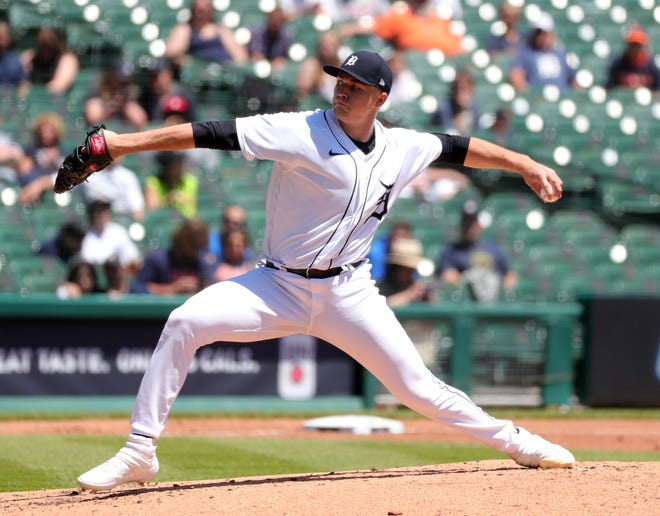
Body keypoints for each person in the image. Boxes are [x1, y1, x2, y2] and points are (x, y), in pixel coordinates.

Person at [73, 49, 572, 492]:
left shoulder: (402, 148)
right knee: (184, 321)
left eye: (355, 86)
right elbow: (211, 134)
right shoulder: (301, 130)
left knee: (417, 387)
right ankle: (141, 451)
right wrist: (122, 144)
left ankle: (518, 441)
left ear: (380, 98)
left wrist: (524, 163)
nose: (342, 89)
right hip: (276, 285)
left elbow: (458, 147)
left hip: (349, 293)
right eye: (339, 79)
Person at [436, 199, 518, 302]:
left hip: (492, 298)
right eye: (467, 223)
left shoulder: (493, 247)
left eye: (473, 223)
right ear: (461, 224)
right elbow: (447, 275)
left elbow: (510, 274)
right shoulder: (452, 250)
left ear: (479, 224)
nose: (470, 228)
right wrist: (466, 280)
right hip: (465, 304)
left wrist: (502, 289)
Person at [338, 0, 464, 57]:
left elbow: (459, 50)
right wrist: (343, 30)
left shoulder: (442, 18)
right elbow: (373, 26)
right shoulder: (400, 14)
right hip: (410, 74)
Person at [130, 217, 215, 295]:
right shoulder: (158, 259)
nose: (195, 250)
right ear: (182, 240)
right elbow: (137, 287)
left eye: (199, 246)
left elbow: (210, 283)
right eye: (192, 244)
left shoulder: (203, 260)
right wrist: (171, 288)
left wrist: (203, 288)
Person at [79, 199, 141, 294]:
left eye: (104, 211)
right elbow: (87, 264)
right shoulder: (86, 235)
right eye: (98, 212)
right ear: (92, 215)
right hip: (95, 284)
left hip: (120, 281)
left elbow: (134, 261)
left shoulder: (119, 232)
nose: (101, 215)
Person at [508, 12, 577, 92]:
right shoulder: (525, 54)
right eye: (537, 33)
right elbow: (516, 76)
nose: (541, 37)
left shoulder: (561, 54)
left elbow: (574, 80)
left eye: (543, 33)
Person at [165, 0, 248, 67]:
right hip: (196, 75)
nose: (202, 11)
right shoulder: (185, 28)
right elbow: (172, 52)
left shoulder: (222, 29)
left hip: (224, 72)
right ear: (193, 9)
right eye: (199, 9)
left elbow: (240, 57)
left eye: (205, 8)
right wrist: (191, 63)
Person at [84, 58, 148, 131]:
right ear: (111, 76)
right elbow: (93, 118)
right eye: (119, 79)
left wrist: (124, 105)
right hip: (100, 138)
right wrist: (111, 107)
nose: (122, 83)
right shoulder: (98, 92)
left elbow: (141, 121)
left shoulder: (127, 95)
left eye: (126, 81)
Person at [14, 112, 68, 187]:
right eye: (42, 130)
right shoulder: (31, 150)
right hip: (34, 184)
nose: (44, 134)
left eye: (49, 131)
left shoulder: (63, 153)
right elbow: (24, 170)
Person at [21, 26, 79, 95]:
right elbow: (21, 84)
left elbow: (59, 87)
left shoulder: (67, 59)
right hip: (31, 101)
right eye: (42, 45)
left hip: (58, 101)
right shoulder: (29, 57)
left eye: (49, 46)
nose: (46, 51)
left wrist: (31, 89)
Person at [138, 59, 198, 124]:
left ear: (168, 74)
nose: (153, 81)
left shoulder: (184, 94)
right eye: (151, 76)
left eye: (156, 76)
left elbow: (193, 124)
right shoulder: (146, 96)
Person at [378, 237, 433, 307]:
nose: (409, 271)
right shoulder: (381, 287)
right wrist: (408, 295)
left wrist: (427, 298)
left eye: (411, 268)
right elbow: (383, 305)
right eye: (406, 268)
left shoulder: (414, 286)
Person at [144, 151, 199, 219]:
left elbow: (194, 210)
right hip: (163, 222)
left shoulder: (190, 180)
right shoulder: (153, 182)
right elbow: (152, 210)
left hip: (185, 223)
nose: (182, 166)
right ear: (167, 167)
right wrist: (167, 200)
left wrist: (185, 200)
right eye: (177, 163)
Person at [295, 30, 342, 108]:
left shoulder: (342, 66)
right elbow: (301, 93)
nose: (327, 48)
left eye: (331, 45)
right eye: (324, 45)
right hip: (316, 108)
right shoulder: (312, 64)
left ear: (337, 47)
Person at [605, 23, 659, 91]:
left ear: (643, 45)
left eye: (637, 45)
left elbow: (657, 91)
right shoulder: (618, 64)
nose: (634, 48)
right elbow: (610, 89)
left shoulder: (653, 66)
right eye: (632, 44)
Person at [429, 68, 481, 135]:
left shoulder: (474, 107)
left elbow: (477, 131)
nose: (462, 93)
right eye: (459, 89)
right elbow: (447, 133)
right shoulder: (444, 106)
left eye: (465, 89)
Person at [247, 6, 292, 72]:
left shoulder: (285, 36)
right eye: (273, 19)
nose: (275, 23)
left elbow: (282, 58)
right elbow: (256, 55)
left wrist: (278, 63)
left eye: (279, 20)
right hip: (256, 67)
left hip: (274, 68)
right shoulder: (257, 32)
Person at [0, 20, 29, 97]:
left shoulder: (15, 60)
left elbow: (23, 84)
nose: (3, 37)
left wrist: (20, 99)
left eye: (5, 34)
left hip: (10, 103)